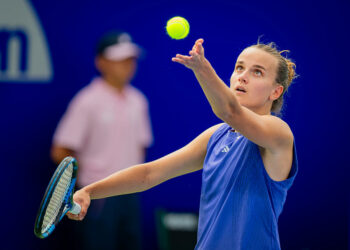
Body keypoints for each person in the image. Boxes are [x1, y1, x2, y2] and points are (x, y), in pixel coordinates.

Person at [67, 38, 298, 250]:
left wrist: (202, 69)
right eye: (239, 67)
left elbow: (229, 111)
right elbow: (150, 174)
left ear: (276, 91)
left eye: (257, 72)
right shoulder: (215, 136)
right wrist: (89, 191)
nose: (242, 76)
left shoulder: (278, 134)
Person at [51, 31, 153, 250]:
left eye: (130, 59)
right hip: (95, 197)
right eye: (120, 59)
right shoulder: (87, 101)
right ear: (102, 62)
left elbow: (140, 148)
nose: (127, 64)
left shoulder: (138, 101)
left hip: (130, 196)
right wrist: (87, 184)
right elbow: (60, 151)